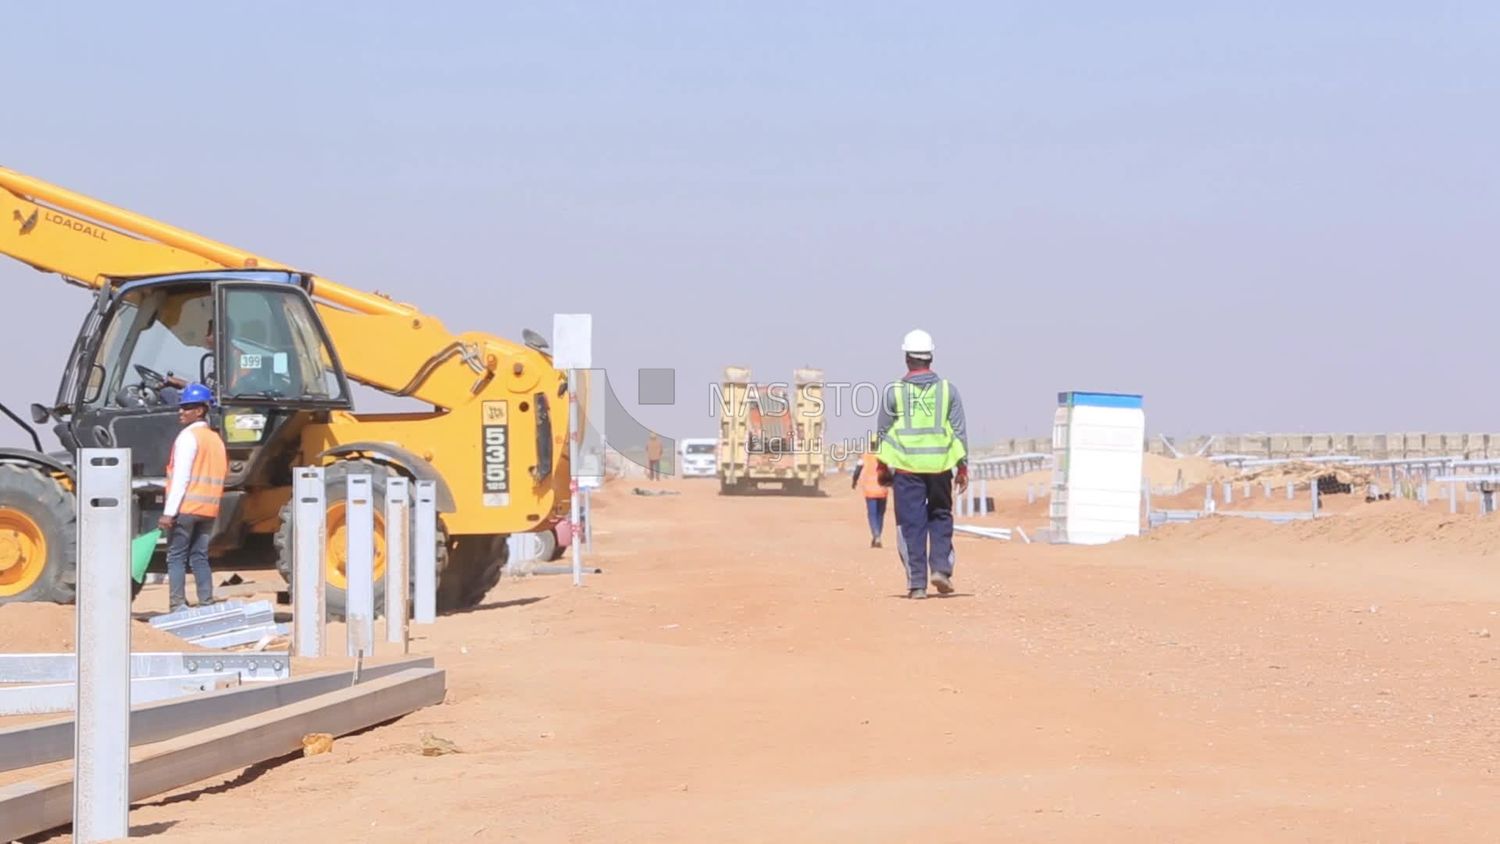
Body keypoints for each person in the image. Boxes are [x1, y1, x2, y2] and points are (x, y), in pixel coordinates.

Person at [872, 329, 968, 599]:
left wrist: (882, 468)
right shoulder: (949, 390)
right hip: (940, 468)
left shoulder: (894, 392)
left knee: (910, 524)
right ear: (930, 358)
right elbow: (959, 432)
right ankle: (940, 568)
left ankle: (917, 584)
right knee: (940, 516)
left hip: (906, 469)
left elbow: (882, 433)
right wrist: (962, 467)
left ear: (907, 359)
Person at [157, 383, 227, 612]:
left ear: (200, 410)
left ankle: (177, 605)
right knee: (199, 557)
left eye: (186, 407)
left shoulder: (188, 437)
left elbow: (181, 478)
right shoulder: (215, 439)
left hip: (186, 508)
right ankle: (206, 603)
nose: (181, 411)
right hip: (208, 511)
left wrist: (169, 512)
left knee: (176, 557)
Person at [849, 434, 889, 548]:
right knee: (880, 514)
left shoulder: (865, 456)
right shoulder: (884, 455)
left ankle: (876, 535)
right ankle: (878, 535)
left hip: (870, 490)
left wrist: (854, 481)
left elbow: (857, 470)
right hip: (882, 490)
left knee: (872, 514)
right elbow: (891, 471)